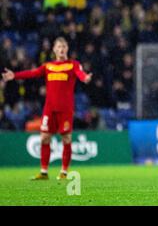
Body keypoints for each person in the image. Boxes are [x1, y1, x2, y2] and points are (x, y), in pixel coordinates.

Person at [2, 37, 92, 180]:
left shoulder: (73, 65)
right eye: (59, 47)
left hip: (65, 108)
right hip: (49, 108)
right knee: (44, 138)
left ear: (67, 49)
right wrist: (15, 76)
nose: (61, 49)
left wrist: (85, 78)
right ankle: (44, 172)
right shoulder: (48, 66)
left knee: (66, 138)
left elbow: (81, 74)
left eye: (64, 47)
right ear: (54, 50)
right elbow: (32, 73)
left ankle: (64, 172)